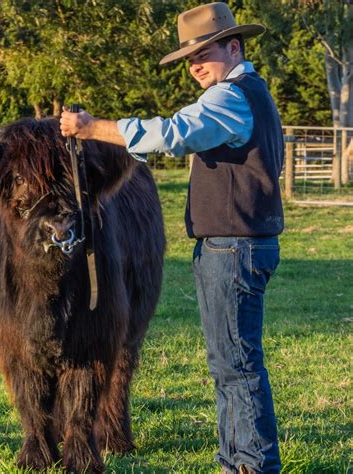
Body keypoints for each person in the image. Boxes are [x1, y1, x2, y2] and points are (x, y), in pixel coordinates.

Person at [60, 2, 283, 473]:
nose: (196, 65)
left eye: (205, 51)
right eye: (188, 58)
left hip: (233, 246)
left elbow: (174, 133)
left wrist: (91, 128)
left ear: (234, 46)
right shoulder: (250, 94)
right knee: (229, 363)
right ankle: (236, 460)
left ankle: (253, 465)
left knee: (236, 366)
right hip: (235, 245)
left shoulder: (231, 97)